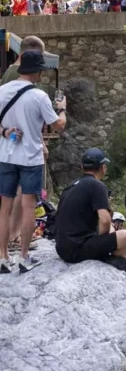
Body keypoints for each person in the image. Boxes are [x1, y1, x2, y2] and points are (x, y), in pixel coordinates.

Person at [0, 50, 67, 273]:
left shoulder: (2, 91)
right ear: (37, 71)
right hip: (30, 158)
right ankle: (23, 256)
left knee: (5, 206)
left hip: (6, 156)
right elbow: (58, 125)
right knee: (28, 207)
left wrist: (4, 131)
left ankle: (2, 256)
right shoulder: (39, 97)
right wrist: (62, 109)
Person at [55, 149, 126, 269]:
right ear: (103, 168)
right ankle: (113, 263)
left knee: (112, 230)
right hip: (78, 249)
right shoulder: (97, 185)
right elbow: (105, 220)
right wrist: (102, 240)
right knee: (125, 237)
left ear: (82, 167)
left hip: (62, 248)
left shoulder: (71, 187)